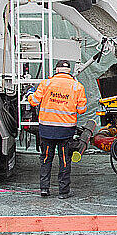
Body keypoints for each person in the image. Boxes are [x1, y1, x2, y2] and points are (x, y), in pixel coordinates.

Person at [28, 59, 87, 198]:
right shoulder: (77, 87)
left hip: (47, 129)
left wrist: (30, 93)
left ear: (56, 70)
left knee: (46, 158)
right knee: (65, 160)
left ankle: (44, 189)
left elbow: (33, 101)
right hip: (65, 131)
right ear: (69, 71)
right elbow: (82, 110)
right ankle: (63, 192)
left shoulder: (46, 83)